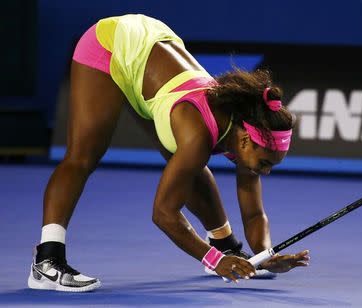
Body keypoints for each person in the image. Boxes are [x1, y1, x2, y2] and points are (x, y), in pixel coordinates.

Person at [27, 14, 310, 292]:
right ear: (247, 139)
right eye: (264, 163)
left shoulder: (245, 132)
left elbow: (254, 214)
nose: (266, 171)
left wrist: (264, 256)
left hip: (152, 47)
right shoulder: (198, 132)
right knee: (83, 157)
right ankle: (47, 262)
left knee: (189, 165)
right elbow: (163, 213)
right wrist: (214, 261)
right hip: (112, 44)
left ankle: (226, 244)